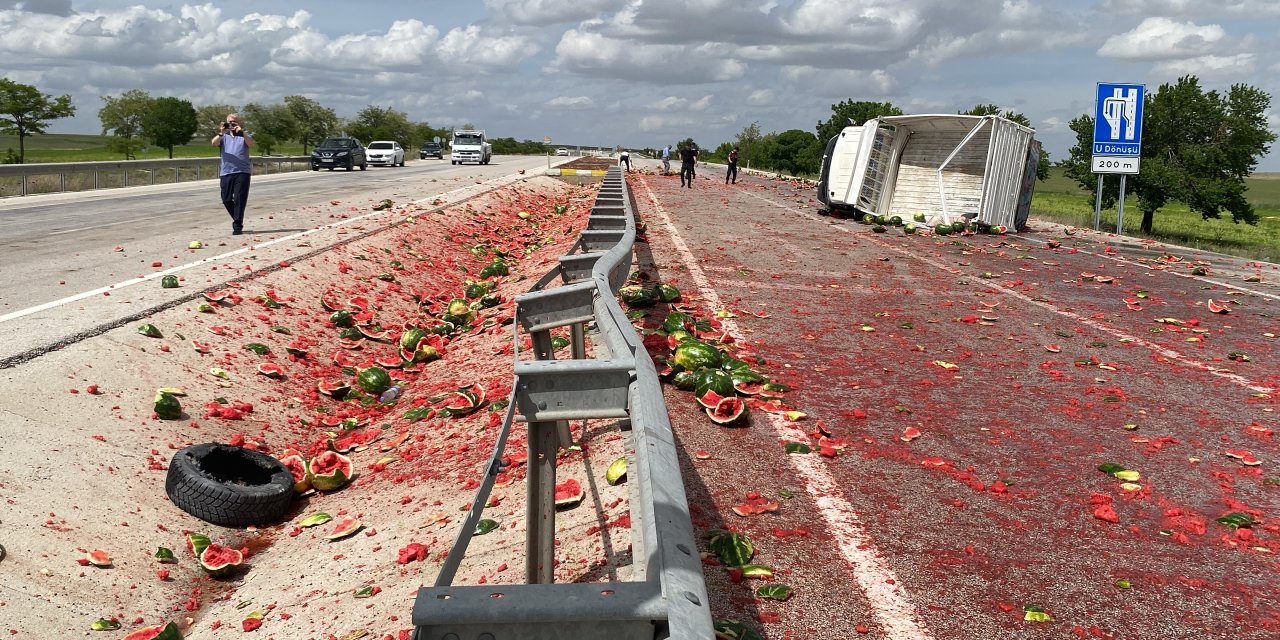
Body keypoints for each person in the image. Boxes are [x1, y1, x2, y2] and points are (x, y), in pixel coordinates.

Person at [211, 113, 254, 235]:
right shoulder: (223, 136)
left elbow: (251, 144)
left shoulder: (243, 136)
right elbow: (214, 143)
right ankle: (237, 218)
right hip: (226, 172)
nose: (232, 124)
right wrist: (222, 132)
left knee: (240, 199)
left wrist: (242, 132)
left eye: (234, 122)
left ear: (238, 123)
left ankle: (237, 226)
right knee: (226, 199)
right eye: (230, 122)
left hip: (242, 172)